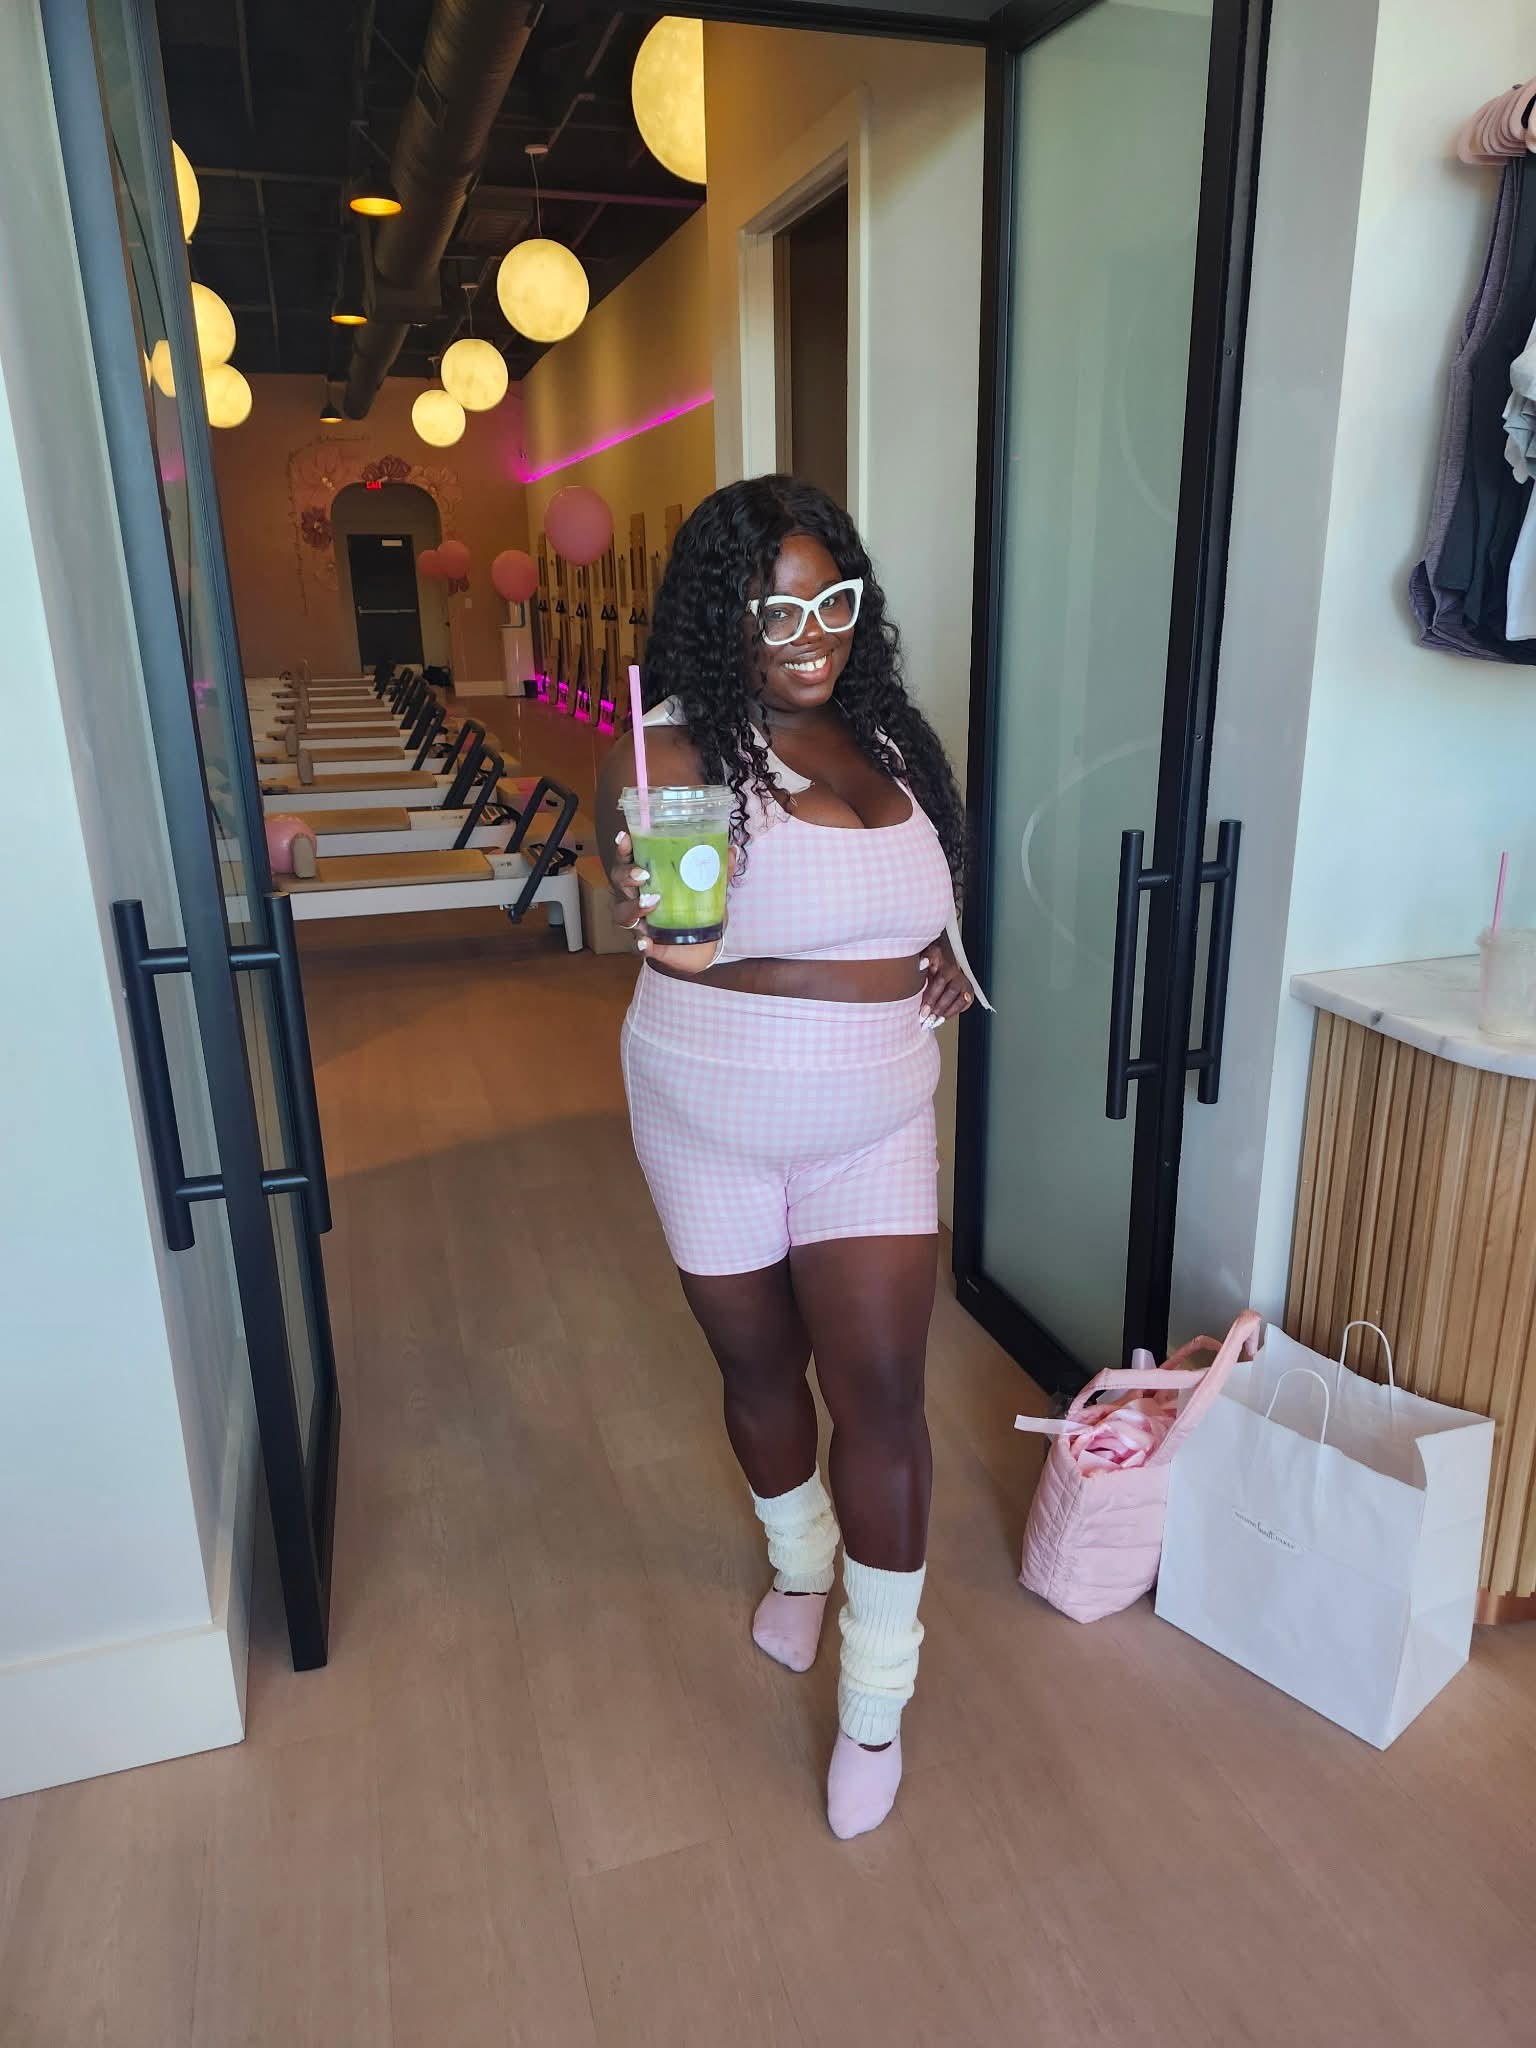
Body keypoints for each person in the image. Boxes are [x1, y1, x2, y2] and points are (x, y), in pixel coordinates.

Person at [597, 475, 986, 1840]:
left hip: (873, 1118)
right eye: (777, 611)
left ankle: (875, 1704)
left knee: (881, 1397)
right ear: (725, 617)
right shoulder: (671, 747)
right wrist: (653, 903)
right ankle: (800, 1563)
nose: (811, 636)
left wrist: (947, 952)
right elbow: (682, 941)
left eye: (834, 603)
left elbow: (922, 889)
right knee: (761, 1371)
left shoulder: (888, 734)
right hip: (706, 1114)